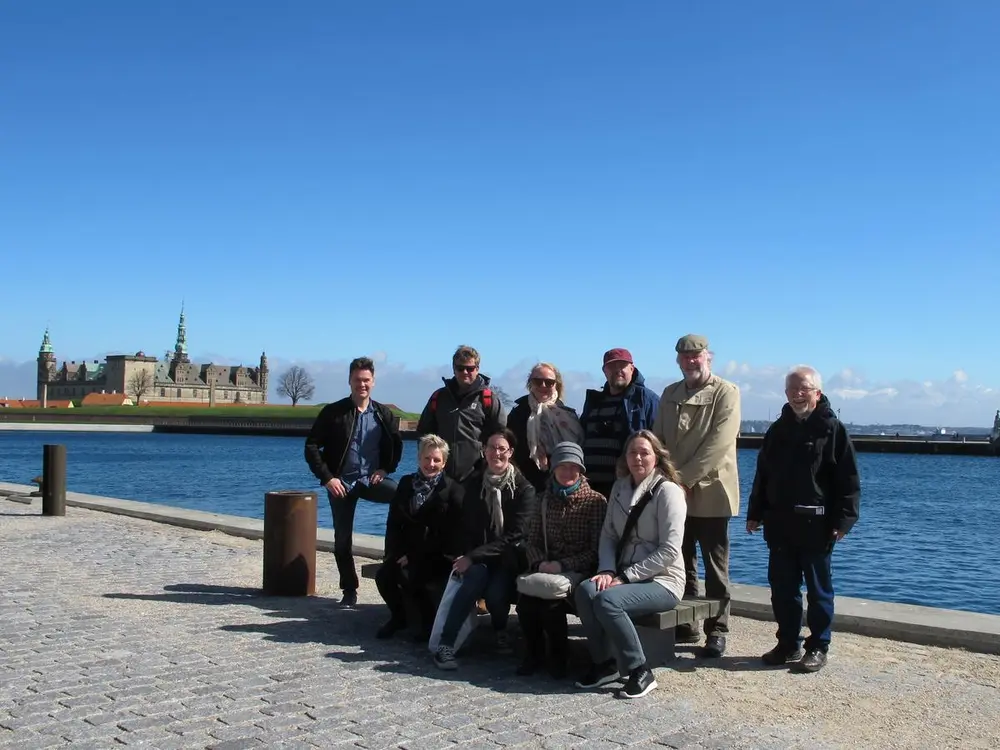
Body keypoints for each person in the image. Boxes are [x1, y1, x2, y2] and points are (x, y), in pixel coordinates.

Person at [746, 366, 860, 673]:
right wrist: (754, 513)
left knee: (818, 590)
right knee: (782, 589)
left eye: (804, 389)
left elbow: (848, 480)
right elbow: (763, 475)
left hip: (817, 525)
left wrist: (844, 521)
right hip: (780, 524)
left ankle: (818, 646)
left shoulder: (832, 429)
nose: (798, 394)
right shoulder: (777, 430)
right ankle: (788, 644)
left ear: (817, 393)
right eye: (792, 390)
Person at [574, 431, 687, 699]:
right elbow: (609, 535)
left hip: (663, 580)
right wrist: (607, 570)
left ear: (656, 457)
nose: (638, 458)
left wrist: (625, 577)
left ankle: (640, 670)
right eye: (632, 452)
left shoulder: (668, 492)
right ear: (625, 457)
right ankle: (605, 663)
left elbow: (670, 550)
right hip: (622, 573)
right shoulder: (620, 487)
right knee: (585, 591)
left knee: (607, 602)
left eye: (644, 452)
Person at [652, 334, 740, 657]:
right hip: (674, 492)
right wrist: (663, 478)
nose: (691, 361)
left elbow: (718, 445)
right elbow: (658, 438)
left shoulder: (727, 392)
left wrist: (681, 480)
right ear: (678, 361)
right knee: (679, 561)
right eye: (685, 357)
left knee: (715, 567)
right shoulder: (669, 393)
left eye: (696, 356)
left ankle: (717, 630)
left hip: (712, 493)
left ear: (708, 357)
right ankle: (685, 623)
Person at [432, 429, 537, 670]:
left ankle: (500, 629)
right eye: (491, 448)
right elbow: (463, 525)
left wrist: (472, 556)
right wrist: (463, 555)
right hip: (477, 556)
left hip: (507, 558)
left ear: (510, 452)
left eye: (502, 448)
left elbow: (515, 535)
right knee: (473, 578)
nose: (496, 453)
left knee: (496, 594)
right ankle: (445, 646)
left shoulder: (524, 489)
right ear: (484, 451)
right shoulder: (473, 484)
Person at [304, 356, 403, 607]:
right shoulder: (334, 412)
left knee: (404, 497)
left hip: (371, 480)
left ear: (373, 381)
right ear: (349, 381)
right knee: (342, 539)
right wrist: (327, 478)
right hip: (341, 484)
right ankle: (349, 589)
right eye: (357, 380)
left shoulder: (383, 414)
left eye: (366, 380)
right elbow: (312, 446)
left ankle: (394, 560)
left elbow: (397, 445)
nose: (362, 384)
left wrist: (385, 468)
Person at [516, 442, 607, 679]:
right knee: (526, 602)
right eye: (562, 466)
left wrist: (563, 565)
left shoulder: (595, 502)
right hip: (546, 567)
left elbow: (596, 550)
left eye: (573, 467)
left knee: (551, 605)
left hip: (579, 569)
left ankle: (559, 657)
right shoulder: (543, 500)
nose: (568, 472)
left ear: (581, 470)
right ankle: (533, 654)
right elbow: (532, 540)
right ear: (554, 468)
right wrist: (539, 563)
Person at [375, 435, 465, 641]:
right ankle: (399, 617)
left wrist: (414, 556)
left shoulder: (452, 490)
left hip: (436, 554)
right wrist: (394, 553)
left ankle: (428, 623)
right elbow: (394, 522)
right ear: (419, 458)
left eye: (436, 460)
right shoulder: (407, 484)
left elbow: (449, 534)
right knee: (384, 576)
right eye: (426, 459)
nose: (430, 464)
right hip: (405, 550)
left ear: (444, 463)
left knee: (415, 577)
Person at [416, 345, 507, 482]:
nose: (465, 372)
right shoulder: (438, 397)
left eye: (470, 368)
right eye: (460, 368)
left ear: (477, 369)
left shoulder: (488, 399)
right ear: (453, 369)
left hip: (477, 477)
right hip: (440, 477)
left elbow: (501, 436)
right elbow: (424, 433)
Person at [579, 348, 660, 499]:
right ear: (604, 371)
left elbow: (660, 442)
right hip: (589, 488)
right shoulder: (594, 401)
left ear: (632, 368)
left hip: (628, 487)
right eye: (612, 367)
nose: (617, 371)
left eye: (622, 366)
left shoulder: (646, 400)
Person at [506, 362, 584, 491]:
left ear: (556, 385)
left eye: (549, 382)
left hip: (562, 485)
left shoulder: (569, 415)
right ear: (530, 384)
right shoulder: (517, 414)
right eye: (537, 381)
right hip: (525, 485)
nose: (543, 385)